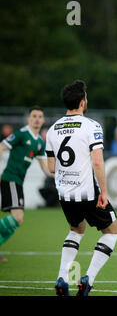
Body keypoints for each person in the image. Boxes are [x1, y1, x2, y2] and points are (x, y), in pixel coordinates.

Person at [46, 80, 117, 296]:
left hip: (65, 194)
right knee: (112, 231)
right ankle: (88, 280)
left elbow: (52, 167)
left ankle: (62, 279)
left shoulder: (52, 129)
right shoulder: (91, 126)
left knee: (77, 229)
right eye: (85, 98)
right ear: (81, 102)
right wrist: (104, 192)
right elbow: (97, 162)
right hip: (88, 192)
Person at [0, 106, 53, 262]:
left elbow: (46, 170)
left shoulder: (39, 143)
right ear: (29, 119)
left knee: (18, 220)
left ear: (43, 120)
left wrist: (62, 175)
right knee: (17, 217)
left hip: (18, 182)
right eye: (34, 116)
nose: (37, 119)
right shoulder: (21, 134)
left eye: (39, 116)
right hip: (10, 178)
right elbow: (2, 146)